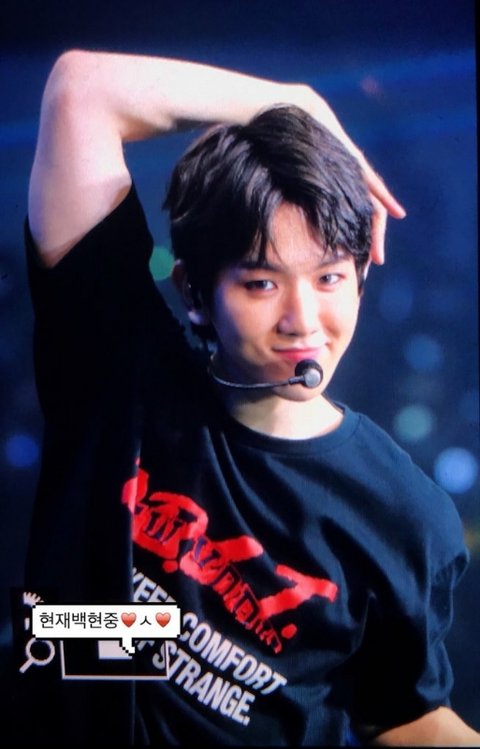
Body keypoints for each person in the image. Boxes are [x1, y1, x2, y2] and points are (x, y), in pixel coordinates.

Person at [15, 49, 479, 745]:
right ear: (196, 293)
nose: (303, 320)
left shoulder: (403, 516)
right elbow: (82, 88)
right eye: (261, 283)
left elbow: (401, 714)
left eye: (329, 277)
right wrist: (296, 102)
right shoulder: (120, 370)